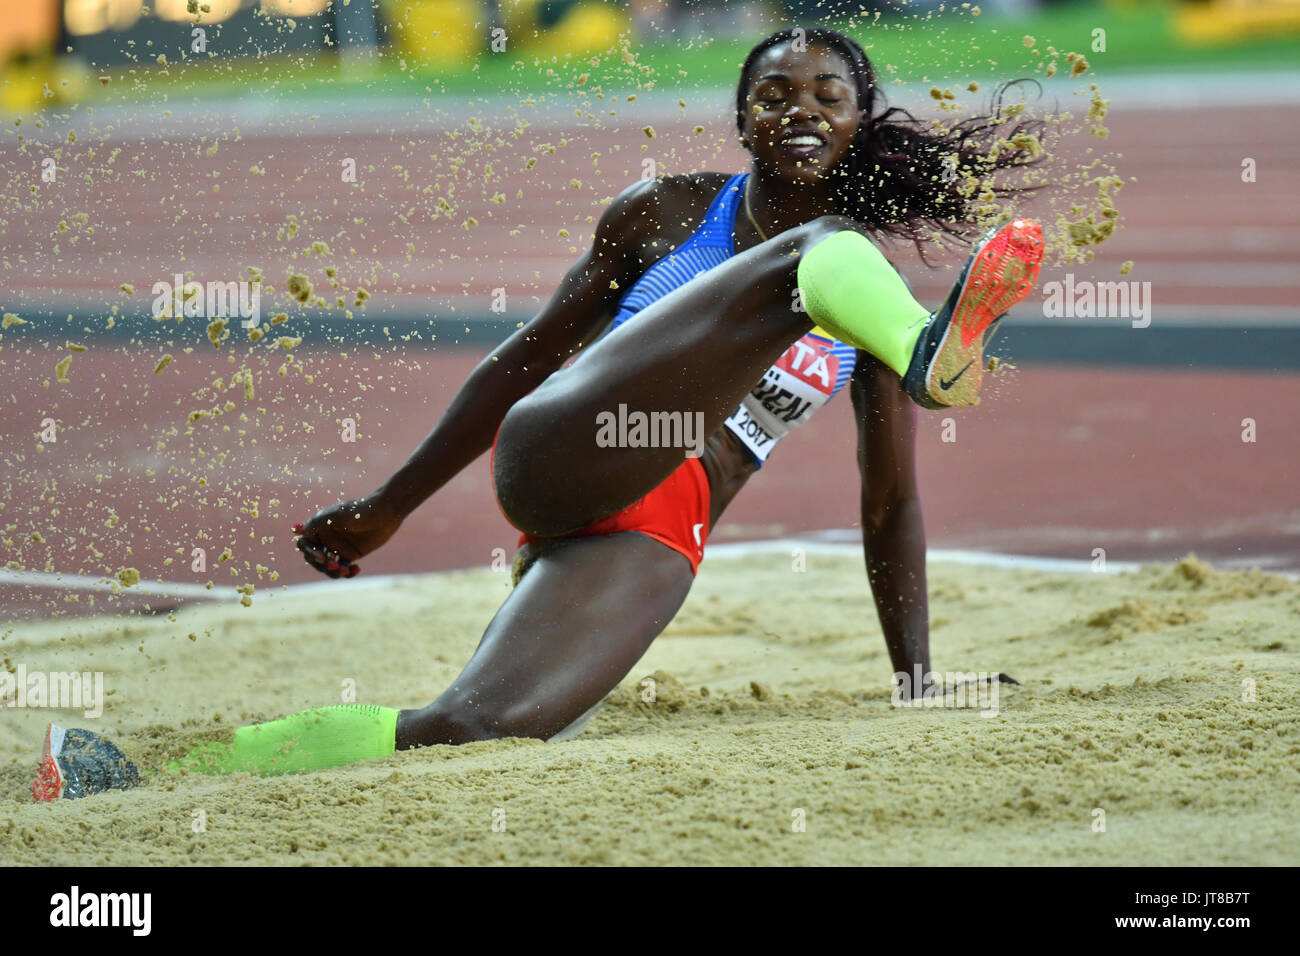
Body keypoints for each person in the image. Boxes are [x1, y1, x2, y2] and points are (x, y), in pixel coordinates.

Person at [33, 27, 1046, 799]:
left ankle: (140, 777)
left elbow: (890, 506)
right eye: (772, 93)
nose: (799, 108)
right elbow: (518, 361)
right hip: (570, 442)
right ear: (741, 121)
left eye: (828, 95)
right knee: (815, 255)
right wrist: (393, 504)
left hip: (661, 516)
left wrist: (917, 676)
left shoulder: (856, 285)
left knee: (477, 728)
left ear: (859, 120)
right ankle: (933, 361)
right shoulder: (662, 213)